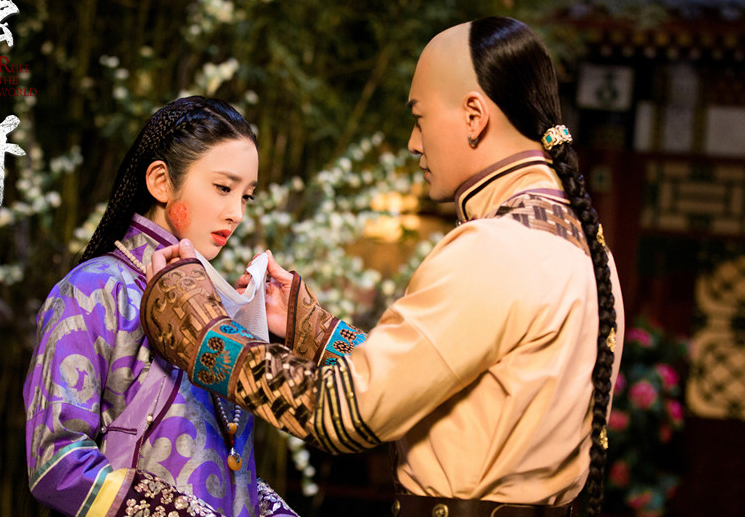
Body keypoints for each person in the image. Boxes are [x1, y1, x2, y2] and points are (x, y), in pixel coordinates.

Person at [141, 17, 624, 517]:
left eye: (419, 117)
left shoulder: (495, 248)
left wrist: (204, 335)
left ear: (473, 115)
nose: (414, 142)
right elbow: (441, 389)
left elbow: (345, 414)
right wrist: (315, 331)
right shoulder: (582, 246)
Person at [22, 96, 298, 517]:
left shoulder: (218, 304)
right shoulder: (93, 290)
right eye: (224, 188)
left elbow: (223, 463)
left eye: (247, 197)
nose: (236, 213)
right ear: (161, 182)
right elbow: (56, 461)